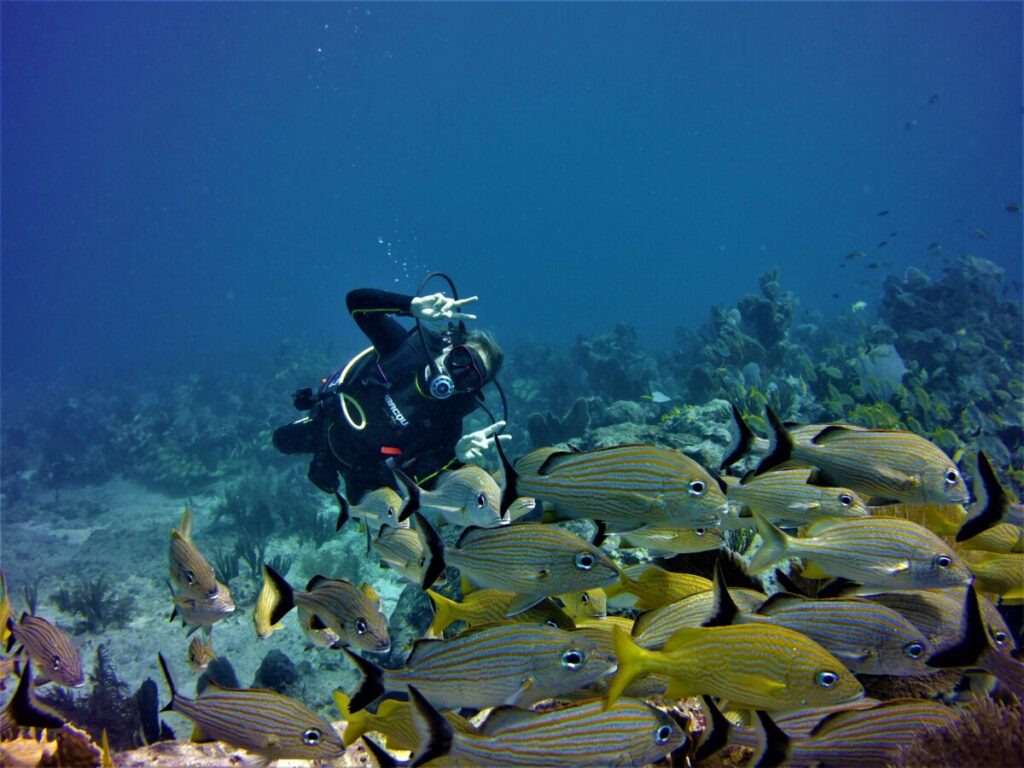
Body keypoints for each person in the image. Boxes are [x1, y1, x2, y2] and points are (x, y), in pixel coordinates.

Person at [273, 286, 509, 502]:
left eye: (470, 377)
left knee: (369, 524)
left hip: (365, 470)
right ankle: (321, 458)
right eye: (461, 360)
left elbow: (426, 479)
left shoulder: (448, 422)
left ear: (470, 390)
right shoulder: (402, 349)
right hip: (329, 428)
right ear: (449, 347)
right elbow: (355, 302)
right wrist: (410, 306)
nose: (456, 374)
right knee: (280, 440)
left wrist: (456, 455)